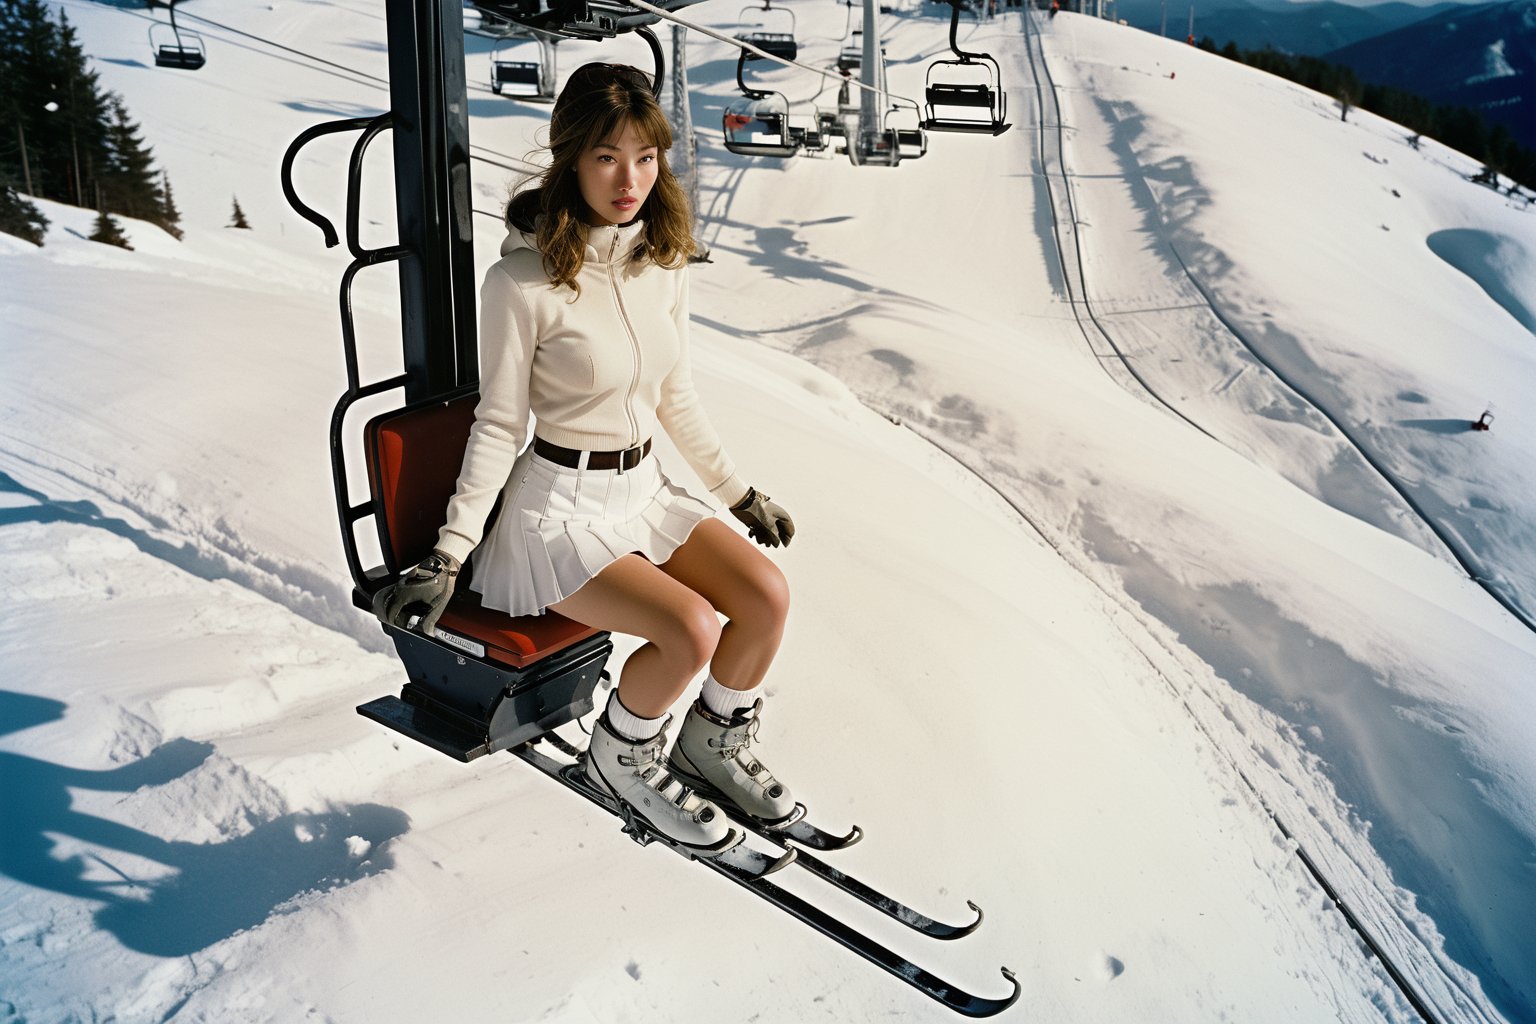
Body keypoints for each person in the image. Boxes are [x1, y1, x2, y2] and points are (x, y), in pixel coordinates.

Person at [376, 63, 797, 856]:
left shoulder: (659, 264)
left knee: (767, 598)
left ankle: (710, 744)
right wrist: (448, 551)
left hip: (645, 490)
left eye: (646, 157)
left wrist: (738, 494)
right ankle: (623, 757)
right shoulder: (522, 282)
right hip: (560, 512)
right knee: (690, 629)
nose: (629, 178)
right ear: (571, 158)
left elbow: (677, 395)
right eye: (607, 157)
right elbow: (497, 425)